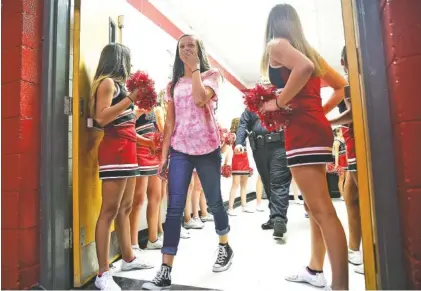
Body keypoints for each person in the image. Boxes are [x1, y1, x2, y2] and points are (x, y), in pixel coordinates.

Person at [260, 4, 348, 290]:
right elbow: (341, 86)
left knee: (322, 210)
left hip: (302, 131)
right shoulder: (308, 49)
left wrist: (279, 101)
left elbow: (305, 69)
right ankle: (315, 269)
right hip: (314, 128)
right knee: (315, 205)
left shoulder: (276, 44)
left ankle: (341, 286)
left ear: (273, 23)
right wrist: (320, 112)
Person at [142, 35, 233, 290]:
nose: (186, 49)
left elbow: (200, 99)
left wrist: (194, 70)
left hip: (207, 147)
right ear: (177, 52)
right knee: (174, 208)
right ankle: (165, 269)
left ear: (199, 50)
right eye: (182, 46)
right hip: (180, 149)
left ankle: (225, 246)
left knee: (214, 202)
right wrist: (163, 156)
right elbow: (170, 122)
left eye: (191, 45)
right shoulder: (172, 85)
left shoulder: (212, 75)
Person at [89, 43, 153, 291]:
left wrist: (147, 142)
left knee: (125, 208)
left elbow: (126, 127)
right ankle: (102, 273)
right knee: (109, 210)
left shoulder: (120, 88)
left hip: (127, 150)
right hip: (114, 151)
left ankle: (128, 258)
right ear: (120, 61)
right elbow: (102, 118)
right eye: (128, 60)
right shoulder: (107, 83)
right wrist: (131, 98)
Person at [328, 46, 363, 275]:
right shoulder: (355, 81)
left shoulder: (353, 84)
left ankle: (369, 251)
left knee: (367, 201)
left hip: (359, 145)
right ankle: (355, 250)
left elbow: (353, 115)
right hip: (353, 145)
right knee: (350, 196)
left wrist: (326, 121)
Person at [235, 108, 291, 239]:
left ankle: (279, 219)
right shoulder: (251, 106)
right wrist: (239, 142)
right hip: (259, 148)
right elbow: (243, 123)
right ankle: (274, 217)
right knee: (267, 182)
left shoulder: (281, 98)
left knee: (278, 181)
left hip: (280, 146)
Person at [129, 107, 164, 251]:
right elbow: (127, 128)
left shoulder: (153, 106)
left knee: (156, 196)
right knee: (138, 199)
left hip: (153, 151)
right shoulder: (131, 104)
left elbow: (159, 129)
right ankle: (133, 243)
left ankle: (153, 238)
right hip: (140, 150)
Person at [228, 117, 255, 215]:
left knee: (244, 185)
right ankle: (230, 208)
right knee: (235, 185)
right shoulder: (234, 136)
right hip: (238, 162)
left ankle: (244, 206)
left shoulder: (243, 136)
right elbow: (234, 149)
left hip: (245, 161)